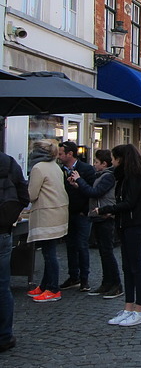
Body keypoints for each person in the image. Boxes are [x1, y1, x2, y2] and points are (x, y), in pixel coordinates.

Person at [95, 144, 141, 327]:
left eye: (115, 159)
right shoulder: (123, 177)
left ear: (122, 159)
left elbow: (129, 202)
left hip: (134, 224)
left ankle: (139, 310)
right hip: (125, 224)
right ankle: (128, 308)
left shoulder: (134, 177)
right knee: (127, 267)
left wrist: (106, 209)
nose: (113, 162)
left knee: (136, 266)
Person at [68, 149, 122, 298]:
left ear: (104, 164)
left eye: (97, 162)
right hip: (98, 215)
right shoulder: (103, 176)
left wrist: (79, 180)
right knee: (103, 252)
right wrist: (78, 186)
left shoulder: (107, 177)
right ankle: (107, 283)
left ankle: (116, 284)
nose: (94, 165)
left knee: (107, 251)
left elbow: (95, 192)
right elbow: (92, 191)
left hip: (104, 216)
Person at [26, 140, 69, 303]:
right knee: (48, 251)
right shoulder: (55, 166)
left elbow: (32, 194)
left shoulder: (38, 168)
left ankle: (53, 289)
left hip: (47, 214)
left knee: (49, 253)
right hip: (57, 212)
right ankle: (45, 285)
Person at [0, 151, 29, 352]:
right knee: (2, 286)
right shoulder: (8, 162)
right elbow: (23, 196)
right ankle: (4, 336)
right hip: (3, 230)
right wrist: (10, 216)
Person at [58, 141, 96, 292]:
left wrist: (86, 210)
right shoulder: (60, 170)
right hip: (67, 213)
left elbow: (92, 192)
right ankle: (73, 276)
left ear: (70, 154)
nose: (59, 156)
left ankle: (84, 278)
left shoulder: (86, 169)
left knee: (81, 245)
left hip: (81, 213)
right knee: (70, 246)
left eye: (61, 153)